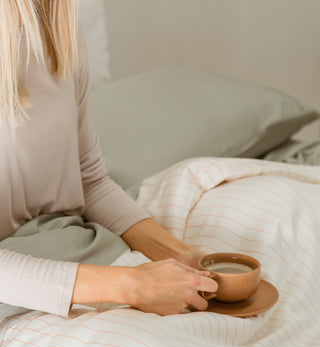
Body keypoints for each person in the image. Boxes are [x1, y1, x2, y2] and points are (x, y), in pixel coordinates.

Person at [0, 0, 217, 317]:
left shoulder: (61, 31)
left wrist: (184, 257)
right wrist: (130, 285)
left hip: (62, 252)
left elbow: (88, 181)